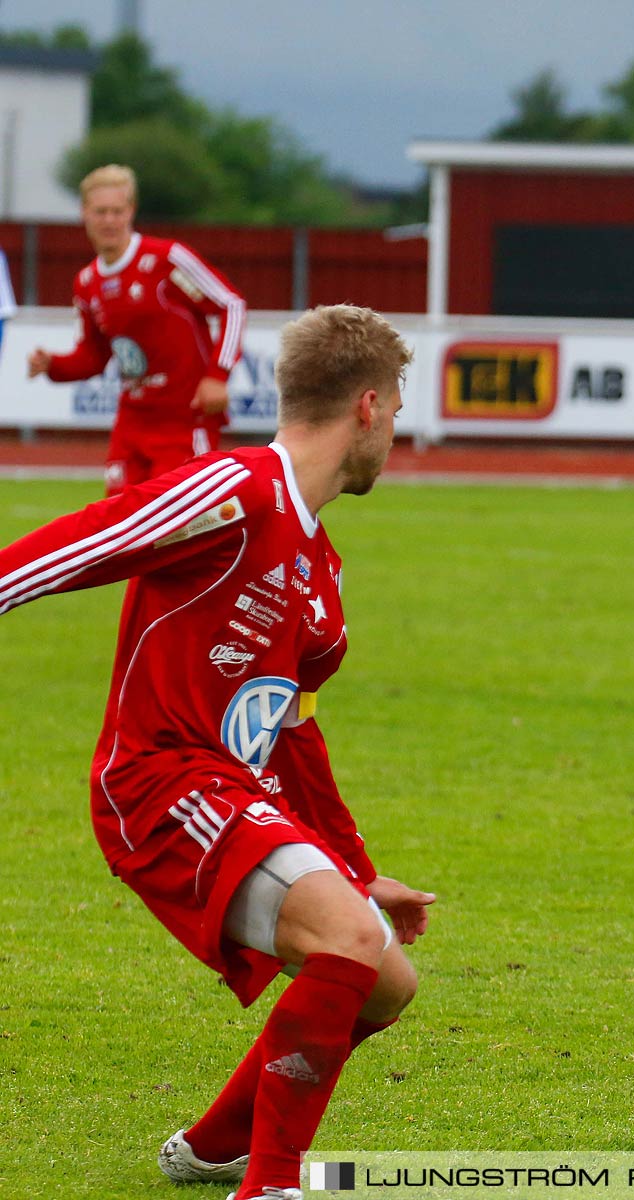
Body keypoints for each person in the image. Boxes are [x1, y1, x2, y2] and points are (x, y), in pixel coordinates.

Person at [0, 304, 432, 1200]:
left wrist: (355, 868)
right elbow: (94, 539)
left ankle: (213, 1146)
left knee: (386, 980)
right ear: (365, 405)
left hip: (234, 789)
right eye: (396, 407)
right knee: (349, 944)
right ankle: (271, 1185)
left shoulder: (321, 571)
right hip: (155, 779)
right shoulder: (239, 488)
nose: (399, 427)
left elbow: (295, 733)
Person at [26, 163, 247, 495]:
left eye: (117, 211)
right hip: (133, 420)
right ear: (84, 213)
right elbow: (92, 356)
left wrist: (218, 375)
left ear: (131, 211)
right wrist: (53, 365)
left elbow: (231, 304)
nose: (109, 220)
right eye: (100, 212)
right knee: (118, 524)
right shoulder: (87, 282)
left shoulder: (165, 259)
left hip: (183, 419)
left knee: (180, 526)